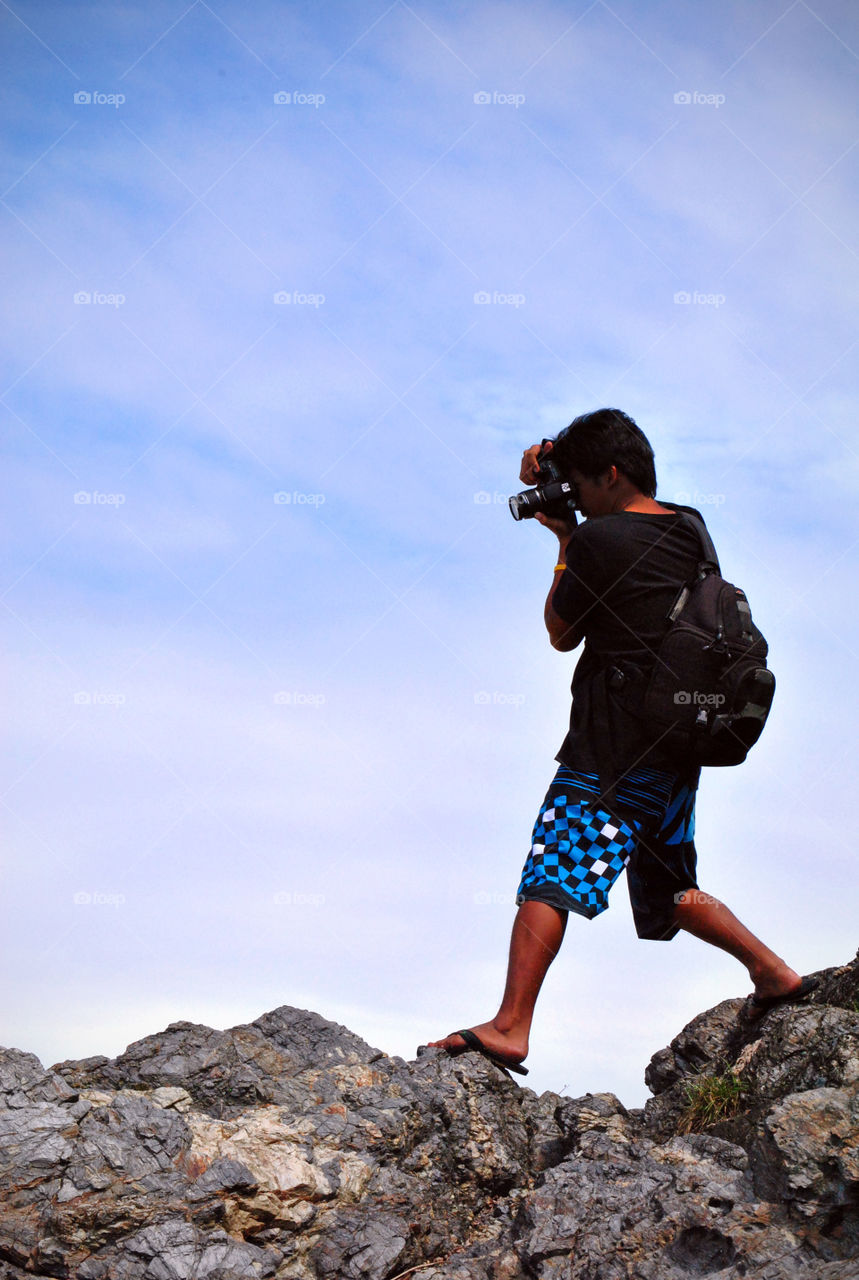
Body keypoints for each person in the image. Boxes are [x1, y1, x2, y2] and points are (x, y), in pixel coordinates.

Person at [428, 408, 816, 1077]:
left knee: (549, 876)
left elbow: (559, 632)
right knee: (668, 886)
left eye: (578, 481)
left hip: (611, 748)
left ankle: (509, 1025)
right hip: (676, 744)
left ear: (608, 474)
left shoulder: (597, 542)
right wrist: (561, 463)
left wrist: (563, 540)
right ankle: (772, 972)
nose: (570, 494)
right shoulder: (690, 526)